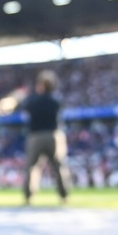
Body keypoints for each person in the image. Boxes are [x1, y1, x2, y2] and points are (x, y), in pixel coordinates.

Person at [21, 69, 71, 205]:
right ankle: (64, 195)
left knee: (32, 167)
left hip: (36, 136)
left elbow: (23, 107)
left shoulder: (32, 100)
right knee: (59, 166)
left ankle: (28, 196)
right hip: (54, 135)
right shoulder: (56, 99)